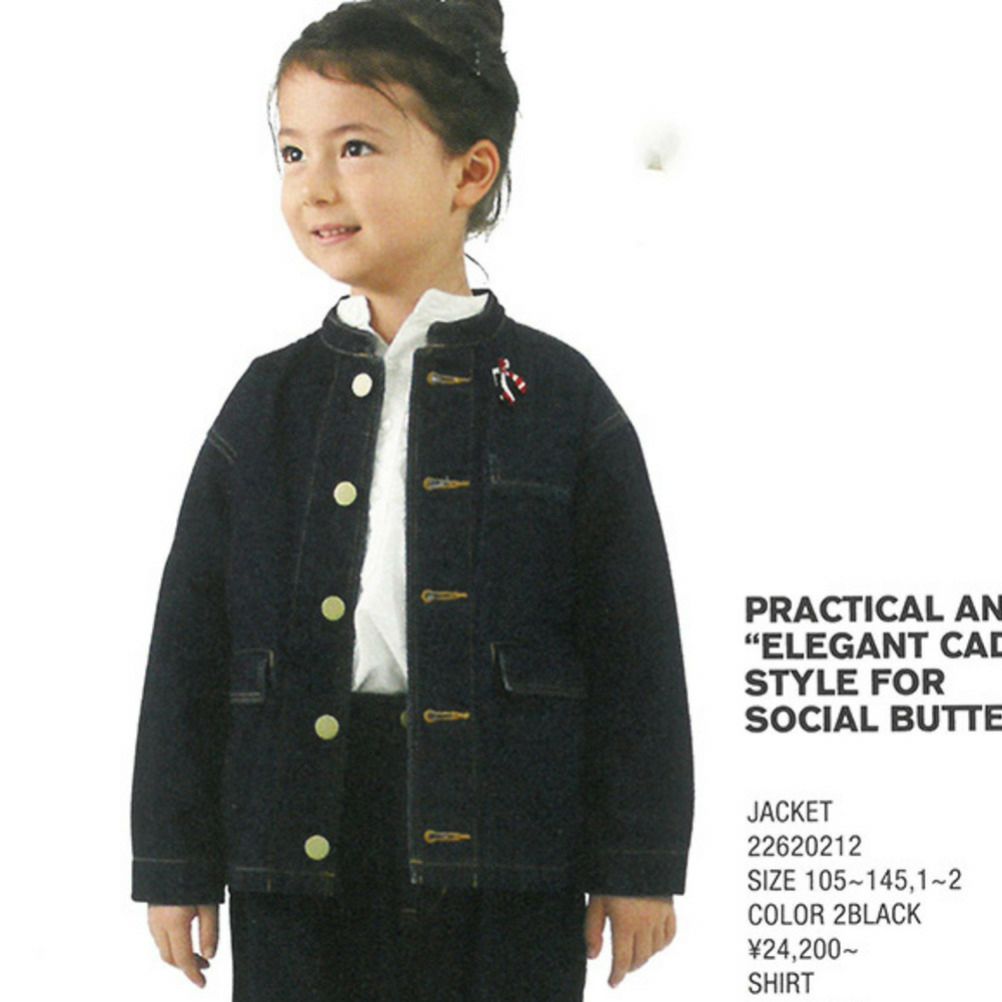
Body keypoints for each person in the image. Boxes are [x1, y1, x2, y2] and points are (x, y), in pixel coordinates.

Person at [130, 1, 694, 999]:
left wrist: (640, 864)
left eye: (354, 147)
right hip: (295, 838)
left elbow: (636, 646)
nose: (316, 185)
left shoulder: (561, 397)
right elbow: (188, 642)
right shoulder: (266, 402)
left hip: (509, 849)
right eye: (293, 152)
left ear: (469, 173)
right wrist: (174, 865)